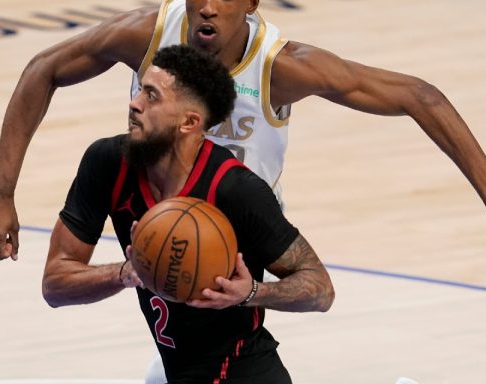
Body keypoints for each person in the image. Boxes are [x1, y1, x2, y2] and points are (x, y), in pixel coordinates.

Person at [0, 0, 486, 263]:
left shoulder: (283, 67)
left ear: (251, 1)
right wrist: (0, 192)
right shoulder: (148, 34)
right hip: (155, 218)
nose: (207, 6)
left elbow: (419, 96)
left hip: (241, 235)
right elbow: (43, 69)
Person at [43, 44, 334, 383]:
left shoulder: (235, 190)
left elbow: (321, 288)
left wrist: (252, 293)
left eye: (152, 97)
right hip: (178, 371)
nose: (134, 103)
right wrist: (125, 272)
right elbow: (54, 284)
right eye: (140, 90)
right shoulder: (108, 163)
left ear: (189, 122)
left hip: (243, 372)